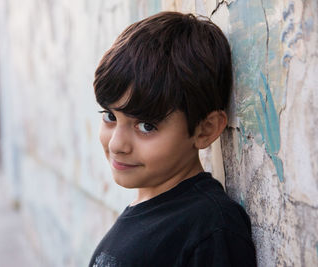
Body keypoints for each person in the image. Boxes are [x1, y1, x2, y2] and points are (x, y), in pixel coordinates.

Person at [88, 11, 257, 267]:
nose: (116, 145)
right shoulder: (148, 208)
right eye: (110, 116)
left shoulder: (210, 228)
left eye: (146, 126)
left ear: (205, 130)